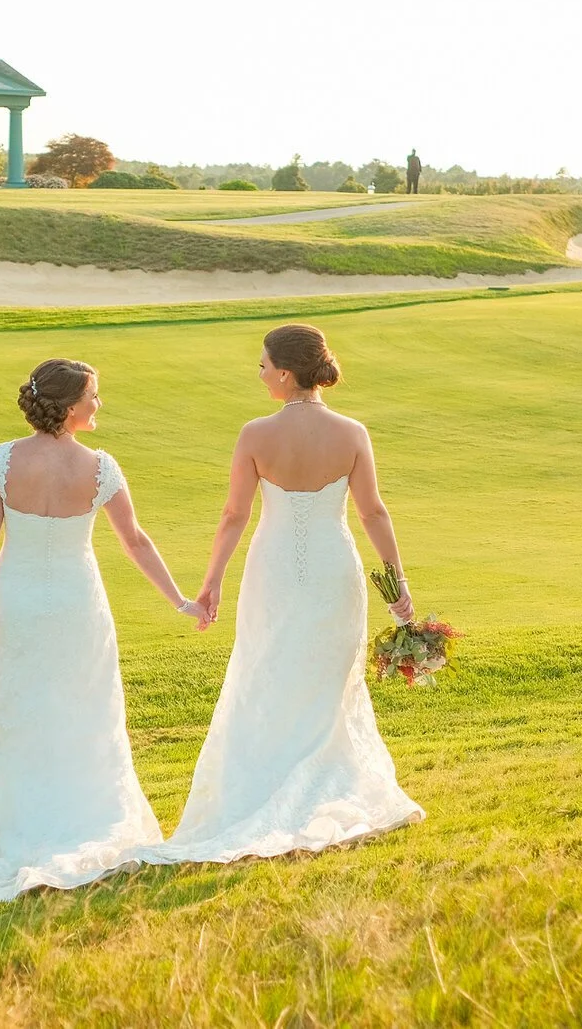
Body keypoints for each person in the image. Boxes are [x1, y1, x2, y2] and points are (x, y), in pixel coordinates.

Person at [0, 358, 205, 904]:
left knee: (21, 706)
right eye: (94, 396)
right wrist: (181, 602)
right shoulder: (101, 468)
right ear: (70, 407)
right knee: (84, 706)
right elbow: (136, 541)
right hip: (77, 600)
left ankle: (19, 824)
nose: (99, 405)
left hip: (19, 601)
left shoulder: (2, 460)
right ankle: (83, 818)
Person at [139, 324, 425, 866]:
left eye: (264, 364)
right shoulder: (352, 432)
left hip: (271, 571)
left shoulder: (254, 434)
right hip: (332, 570)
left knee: (266, 673)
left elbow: (234, 515)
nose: (260, 371)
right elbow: (373, 513)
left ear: (286, 374)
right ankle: (323, 789)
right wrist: (398, 584)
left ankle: (270, 791)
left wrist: (212, 580)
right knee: (325, 680)